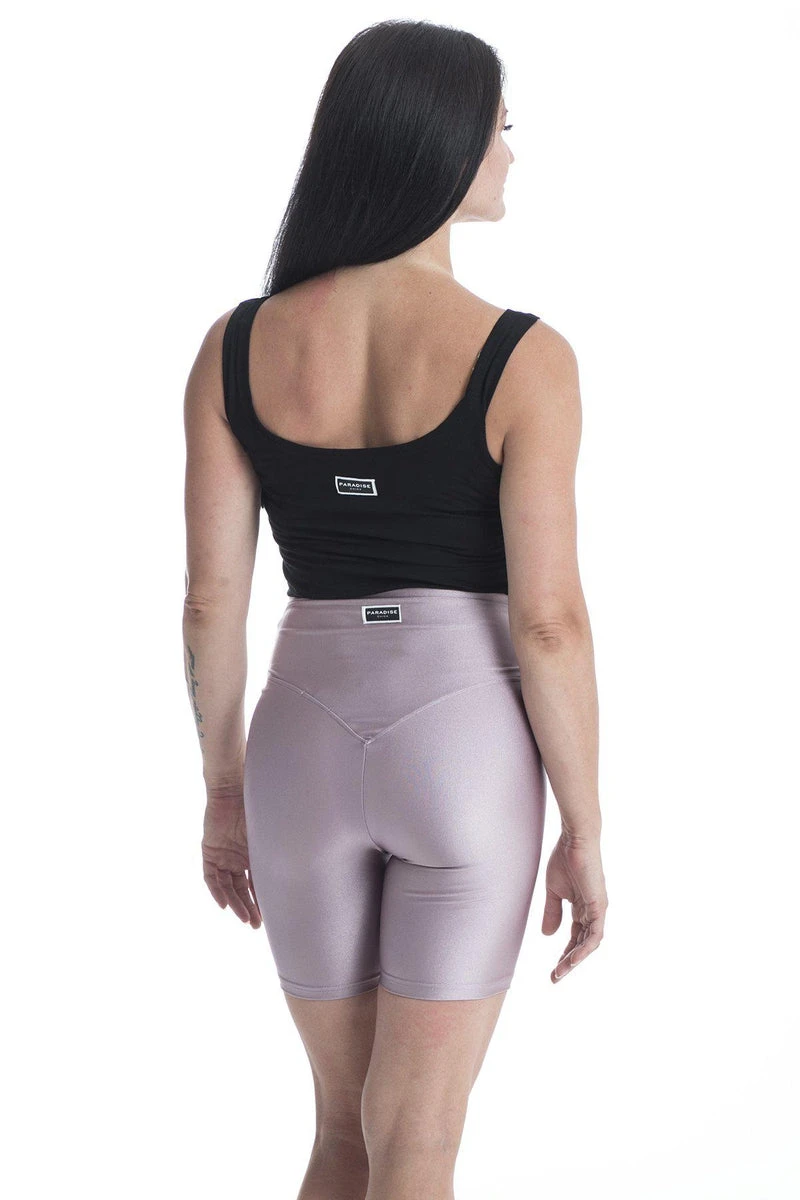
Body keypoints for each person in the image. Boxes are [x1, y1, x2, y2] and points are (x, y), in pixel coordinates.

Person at [182, 17, 608, 1200]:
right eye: (500, 129)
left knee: (340, 1134)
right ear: (439, 141)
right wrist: (582, 829)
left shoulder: (236, 347)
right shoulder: (522, 357)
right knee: (417, 1144)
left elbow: (211, 601)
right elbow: (548, 623)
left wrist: (224, 793)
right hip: (460, 736)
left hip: (300, 738)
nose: (510, 155)